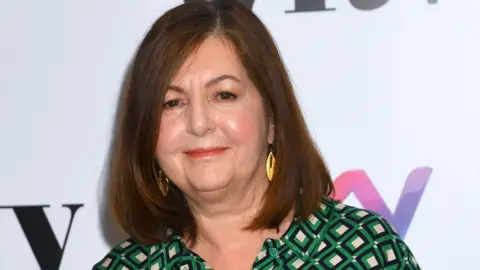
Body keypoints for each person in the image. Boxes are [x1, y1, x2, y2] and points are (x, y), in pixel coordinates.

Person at [93, 1, 420, 269]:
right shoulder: (124, 267)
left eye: (224, 95)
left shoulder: (362, 250)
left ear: (273, 118)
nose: (198, 123)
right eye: (172, 102)